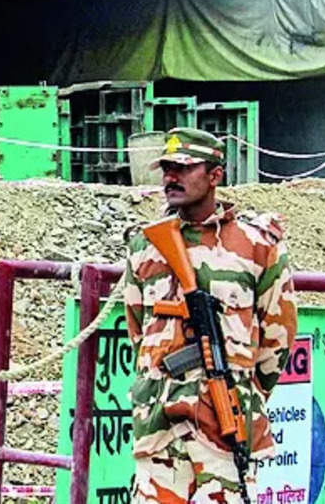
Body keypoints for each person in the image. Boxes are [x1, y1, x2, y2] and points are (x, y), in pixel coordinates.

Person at [121, 127, 297, 504]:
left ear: (215, 175)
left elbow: (276, 338)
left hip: (222, 427)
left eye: (184, 168)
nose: (171, 177)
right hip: (160, 427)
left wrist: (238, 388)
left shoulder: (256, 246)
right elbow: (137, 327)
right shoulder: (146, 246)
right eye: (167, 168)